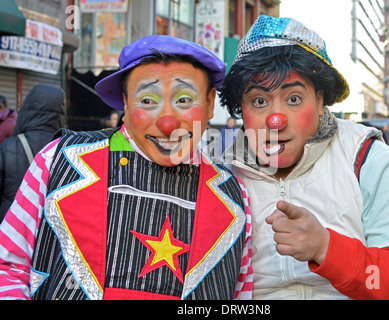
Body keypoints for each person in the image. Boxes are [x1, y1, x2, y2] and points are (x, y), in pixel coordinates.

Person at [0, 35, 252, 300]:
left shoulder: (233, 198)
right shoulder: (58, 161)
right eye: (147, 101)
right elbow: (7, 266)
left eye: (185, 100)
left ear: (211, 103)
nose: (167, 123)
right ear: (125, 102)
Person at [219, 15, 389, 299]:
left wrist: (326, 248)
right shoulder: (220, 177)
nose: (275, 120)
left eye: (294, 99)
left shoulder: (371, 162)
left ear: (320, 101)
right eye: (259, 101)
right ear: (241, 108)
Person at [0, 84, 66, 222]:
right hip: (51, 228)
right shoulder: (69, 147)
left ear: (27, 108)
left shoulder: (9, 146)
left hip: (14, 224)